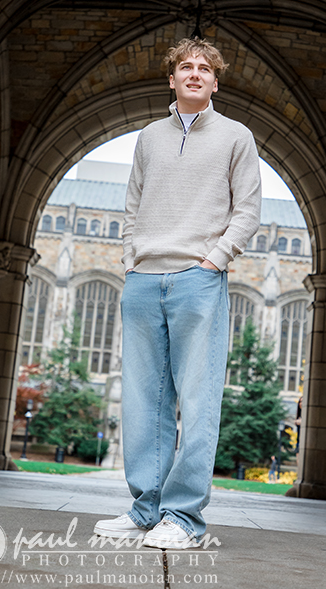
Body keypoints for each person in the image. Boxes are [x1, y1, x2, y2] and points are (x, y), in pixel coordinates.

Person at [94, 37, 261, 549]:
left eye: (204, 68)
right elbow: (131, 207)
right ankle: (145, 510)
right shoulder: (149, 137)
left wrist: (213, 260)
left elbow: (248, 211)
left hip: (198, 280)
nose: (194, 74)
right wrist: (130, 262)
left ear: (215, 81)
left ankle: (184, 518)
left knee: (198, 398)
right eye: (185, 67)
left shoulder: (237, 137)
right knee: (144, 401)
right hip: (143, 280)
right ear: (171, 79)